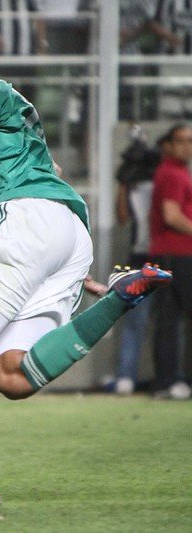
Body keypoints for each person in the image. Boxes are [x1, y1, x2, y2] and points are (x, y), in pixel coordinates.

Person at [0, 9, 173, 507]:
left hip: (26, 221)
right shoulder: (10, 95)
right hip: (67, 226)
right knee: (11, 375)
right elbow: (51, 167)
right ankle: (119, 297)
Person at [111, 126, 162, 395]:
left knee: (167, 322)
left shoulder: (165, 180)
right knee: (135, 321)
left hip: (165, 257)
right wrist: (123, 182)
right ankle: (126, 375)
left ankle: (166, 377)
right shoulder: (134, 186)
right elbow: (122, 218)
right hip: (140, 259)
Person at [149, 123, 192, 400]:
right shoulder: (173, 174)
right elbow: (172, 215)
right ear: (170, 144)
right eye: (182, 140)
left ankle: (167, 381)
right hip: (177, 255)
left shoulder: (174, 172)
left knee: (168, 319)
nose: (187, 146)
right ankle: (172, 380)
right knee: (170, 320)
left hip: (170, 254)